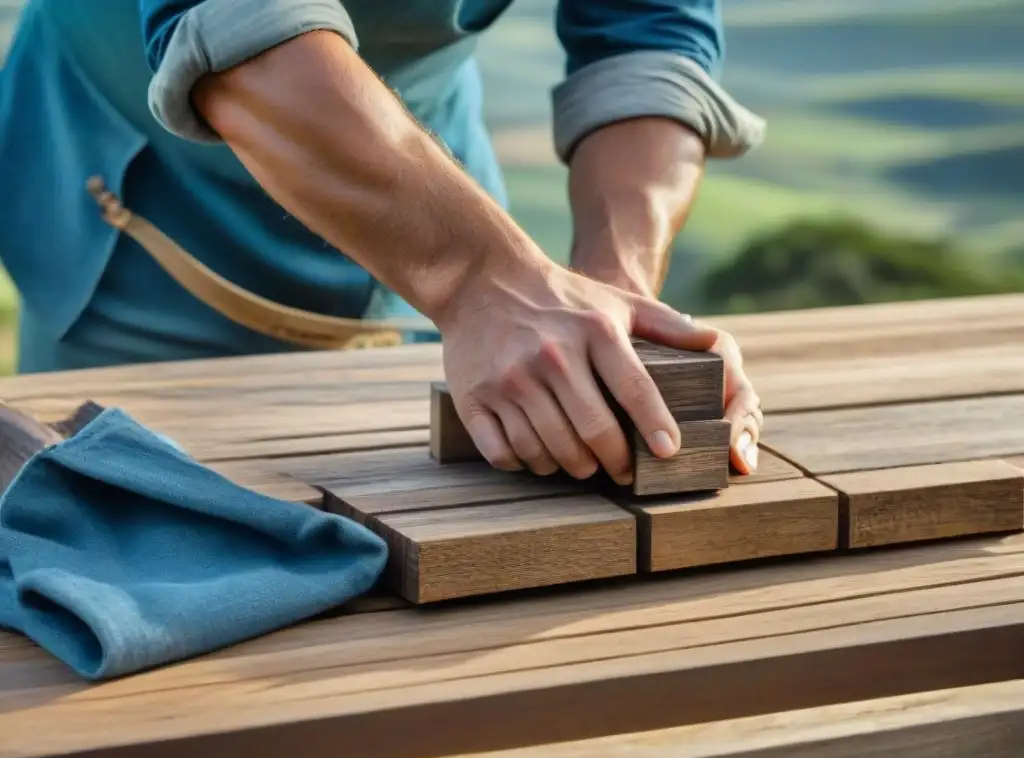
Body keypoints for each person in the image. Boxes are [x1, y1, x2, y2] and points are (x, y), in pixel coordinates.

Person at [0, 0, 766, 485]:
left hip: (431, 180)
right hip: (145, 203)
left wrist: (616, 302)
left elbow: (646, 41)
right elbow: (240, 25)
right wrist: (480, 279)